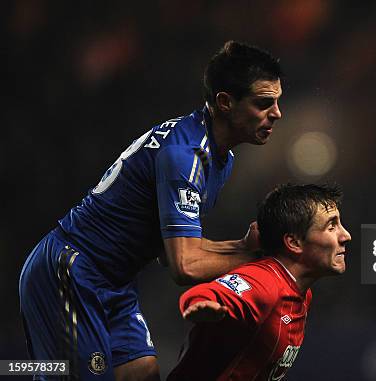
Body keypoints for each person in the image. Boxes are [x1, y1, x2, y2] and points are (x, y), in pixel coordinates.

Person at [19, 40, 283, 381]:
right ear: (225, 102)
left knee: (143, 374)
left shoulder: (218, 157)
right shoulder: (186, 156)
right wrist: (266, 258)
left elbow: (169, 248)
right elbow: (184, 265)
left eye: (277, 101)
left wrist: (244, 247)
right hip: (70, 273)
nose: (277, 113)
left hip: (113, 283)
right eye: (264, 103)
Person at [167, 183, 351, 381]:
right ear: (294, 243)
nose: (346, 235)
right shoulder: (266, 282)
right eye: (331, 227)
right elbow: (206, 295)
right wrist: (204, 305)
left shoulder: (302, 292)